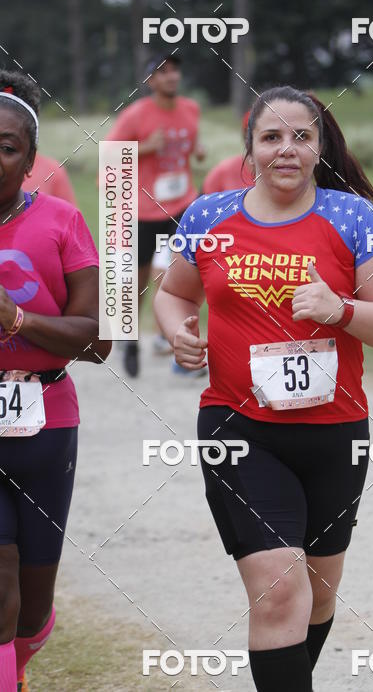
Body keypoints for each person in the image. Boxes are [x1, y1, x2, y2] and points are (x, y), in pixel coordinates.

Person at [154, 86, 373, 692]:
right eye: (271, 137)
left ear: (321, 147)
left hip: (335, 434)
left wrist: (340, 309)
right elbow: (172, 292)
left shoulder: (351, 218)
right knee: (278, 592)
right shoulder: (210, 216)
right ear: (249, 150)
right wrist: (178, 332)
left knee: (315, 599)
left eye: (302, 136)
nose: (287, 149)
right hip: (238, 430)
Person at [0, 71, 111, 692]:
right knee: (0, 583)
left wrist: (14, 317)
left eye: (7, 146)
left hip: (46, 420)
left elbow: (97, 341)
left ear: (31, 160)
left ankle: (21, 652)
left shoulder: (62, 221)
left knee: (31, 605)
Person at [103, 53, 205, 377]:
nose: (172, 76)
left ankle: (176, 343)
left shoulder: (191, 109)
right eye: (163, 72)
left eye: (175, 70)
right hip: (145, 208)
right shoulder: (136, 115)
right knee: (141, 277)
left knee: (184, 272)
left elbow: (190, 141)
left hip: (184, 202)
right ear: (150, 81)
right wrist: (147, 146)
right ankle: (130, 338)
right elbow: (109, 154)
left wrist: (197, 150)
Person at [201, 110, 254, 193]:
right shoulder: (225, 170)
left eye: (271, 137)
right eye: (250, 135)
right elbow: (202, 200)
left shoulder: (279, 175)